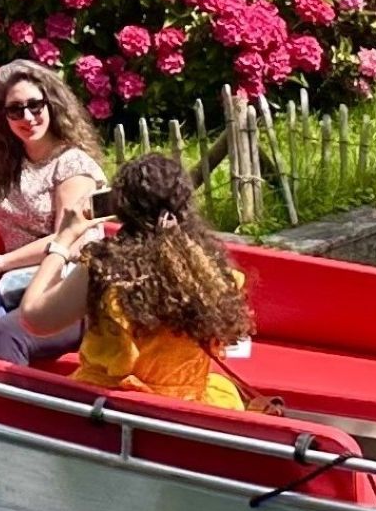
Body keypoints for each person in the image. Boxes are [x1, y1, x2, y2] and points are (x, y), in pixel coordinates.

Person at [18, 151, 253, 409]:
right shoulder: (210, 267)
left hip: (114, 409)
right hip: (188, 407)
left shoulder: (104, 266)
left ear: (122, 207)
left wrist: (63, 240)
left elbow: (33, 318)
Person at [0, 60, 106, 367]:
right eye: (16, 110)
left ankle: (17, 410)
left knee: (10, 332)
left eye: (35, 106)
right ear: (4, 117)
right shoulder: (12, 164)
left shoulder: (72, 165)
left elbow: (66, 239)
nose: (27, 117)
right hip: (22, 283)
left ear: (51, 105)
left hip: (73, 289)